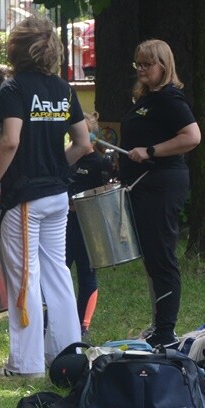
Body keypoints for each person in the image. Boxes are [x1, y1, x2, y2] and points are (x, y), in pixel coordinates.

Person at [0, 17, 92, 378]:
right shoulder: (63, 88)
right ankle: (68, 355)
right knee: (57, 273)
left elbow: (9, 141)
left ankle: (25, 364)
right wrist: (57, 166)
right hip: (58, 195)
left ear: (15, 49)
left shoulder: (13, 89)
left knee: (24, 277)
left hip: (25, 198)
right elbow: (84, 143)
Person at [119, 39, 201, 348]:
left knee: (162, 257)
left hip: (163, 184)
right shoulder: (147, 99)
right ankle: (159, 326)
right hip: (145, 186)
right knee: (153, 258)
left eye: (147, 64)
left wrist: (151, 150)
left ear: (163, 66)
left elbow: (192, 136)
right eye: (137, 63)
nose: (140, 69)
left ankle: (166, 332)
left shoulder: (170, 98)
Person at [65, 111, 114, 339]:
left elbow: (107, 194)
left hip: (89, 226)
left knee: (87, 272)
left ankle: (82, 324)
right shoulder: (66, 159)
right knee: (61, 271)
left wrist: (83, 202)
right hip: (64, 224)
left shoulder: (101, 162)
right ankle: (57, 320)